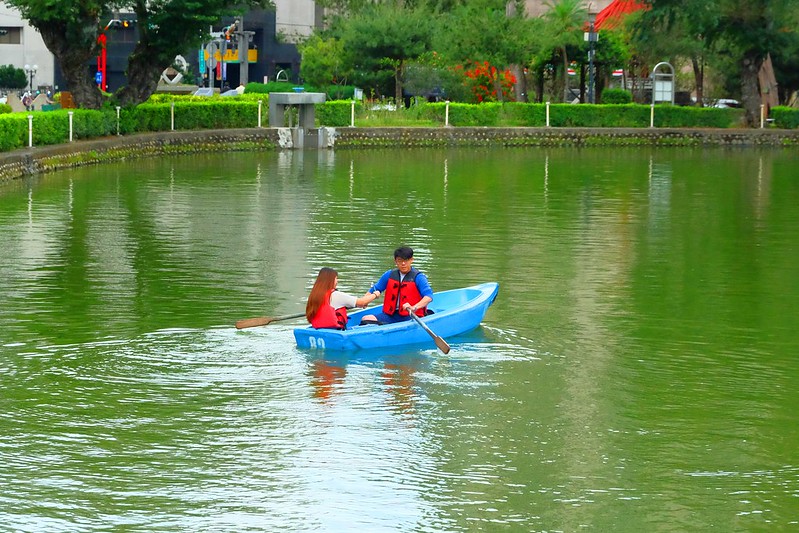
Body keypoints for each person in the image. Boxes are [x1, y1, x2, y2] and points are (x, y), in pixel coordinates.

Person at [362, 246, 434, 325]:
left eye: (406, 260)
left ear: (411, 260)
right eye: (400, 261)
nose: (403, 264)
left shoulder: (419, 277)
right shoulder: (389, 275)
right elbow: (375, 289)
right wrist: (364, 301)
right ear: (395, 261)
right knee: (366, 319)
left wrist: (414, 307)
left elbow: (428, 297)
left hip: (411, 316)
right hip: (391, 315)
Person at [305, 267, 379, 330]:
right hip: (335, 331)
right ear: (330, 281)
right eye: (336, 278)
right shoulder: (336, 295)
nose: (337, 281)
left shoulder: (315, 295)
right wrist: (375, 294)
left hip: (318, 328)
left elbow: (359, 304)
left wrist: (359, 304)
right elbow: (362, 302)